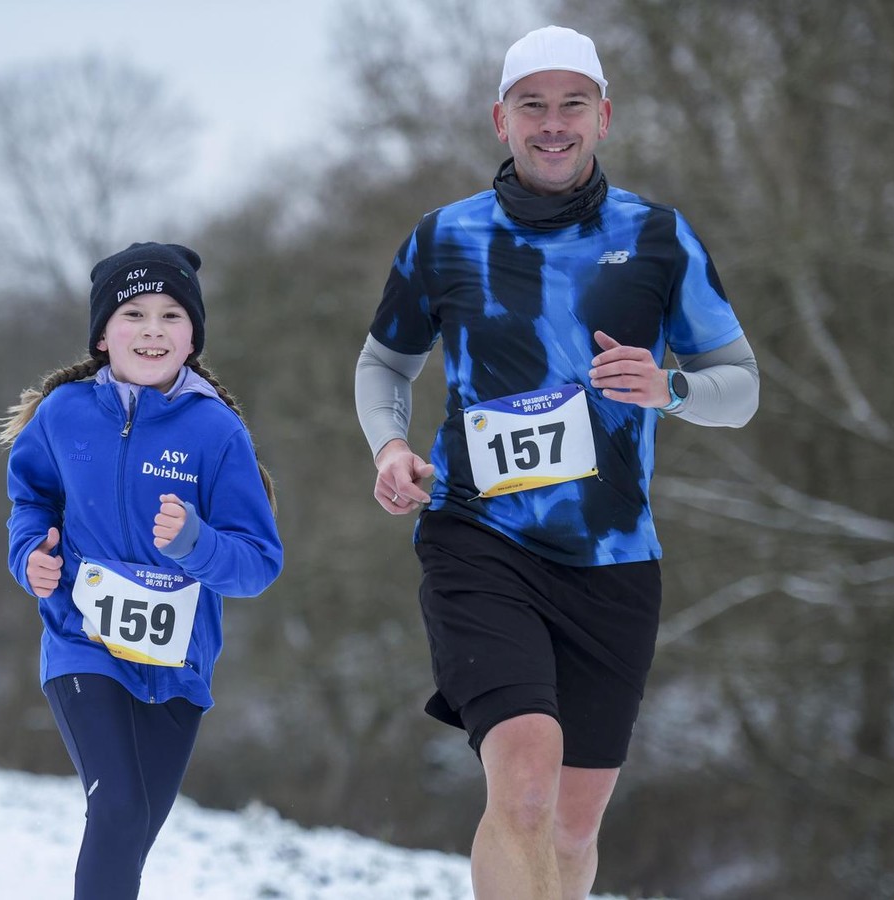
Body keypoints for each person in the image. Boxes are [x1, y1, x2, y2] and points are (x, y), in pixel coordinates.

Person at [354, 25, 759, 900]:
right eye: (531, 105)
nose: (552, 124)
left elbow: (743, 384)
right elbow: (385, 362)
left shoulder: (658, 237)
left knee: (574, 828)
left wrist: (672, 389)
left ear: (604, 115)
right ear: (499, 118)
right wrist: (390, 445)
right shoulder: (444, 238)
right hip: (477, 538)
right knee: (526, 786)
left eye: (572, 103)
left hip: (614, 562)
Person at [0, 242, 284, 899]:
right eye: (133, 314)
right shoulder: (63, 414)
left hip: (178, 665)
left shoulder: (216, 433)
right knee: (119, 809)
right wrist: (29, 557)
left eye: (170, 316)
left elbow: (258, 563)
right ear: (103, 335)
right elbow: (31, 498)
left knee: (131, 833)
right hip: (82, 644)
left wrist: (196, 544)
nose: (152, 330)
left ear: (193, 338)